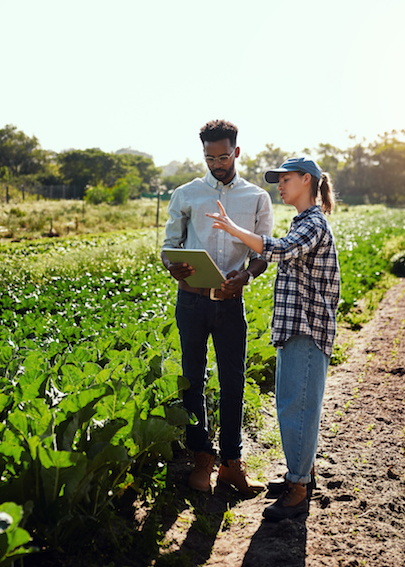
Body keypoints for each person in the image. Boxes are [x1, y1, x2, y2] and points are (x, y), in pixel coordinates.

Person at [206, 156, 341, 521]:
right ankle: (301, 475)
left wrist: (234, 229)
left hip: (307, 329)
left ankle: (298, 488)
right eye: (276, 180)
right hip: (295, 328)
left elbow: (278, 250)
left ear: (308, 181)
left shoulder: (313, 223)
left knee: (297, 408)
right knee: (293, 405)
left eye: (286, 179)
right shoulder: (304, 222)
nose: (279, 185)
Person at [161, 119, 274, 496]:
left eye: (223, 156)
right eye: (210, 157)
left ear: (237, 152)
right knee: (193, 379)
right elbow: (169, 246)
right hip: (191, 302)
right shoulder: (186, 194)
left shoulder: (256, 197)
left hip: (230, 303)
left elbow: (263, 251)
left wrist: (246, 276)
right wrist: (173, 265)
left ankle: (231, 463)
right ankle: (201, 460)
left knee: (233, 382)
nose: (216, 163)